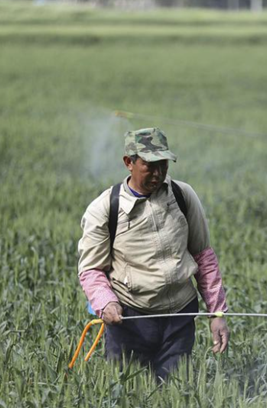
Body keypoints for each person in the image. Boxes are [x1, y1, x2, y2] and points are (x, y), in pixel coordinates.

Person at [78, 127, 230, 381]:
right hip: (130, 321)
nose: (158, 174)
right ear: (129, 162)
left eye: (163, 165)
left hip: (179, 319)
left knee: (175, 395)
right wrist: (106, 302)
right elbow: (91, 270)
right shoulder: (105, 208)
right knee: (125, 398)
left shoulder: (183, 195)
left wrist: (217, 314)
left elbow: (204, 257)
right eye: (149, 165)